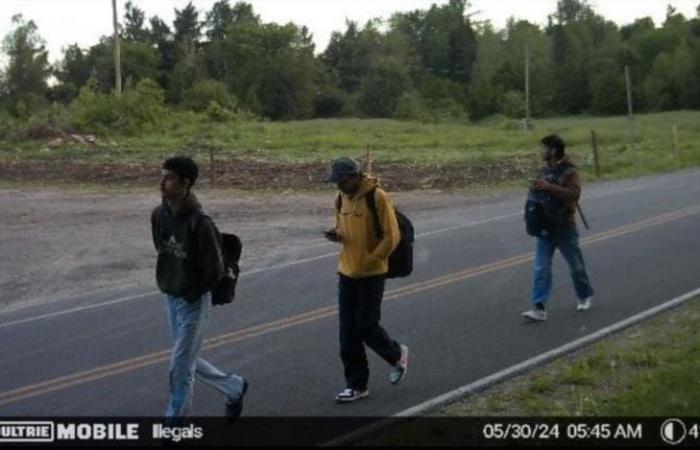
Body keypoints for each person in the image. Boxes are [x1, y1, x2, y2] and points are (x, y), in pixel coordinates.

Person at [151, 156, 248, 420]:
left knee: (179, 367)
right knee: (186, 359)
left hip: (193, 301)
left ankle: (174, 428)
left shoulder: (200, 223)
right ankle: (234, 386)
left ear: (186, 183)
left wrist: (193, 292)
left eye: (169, 177)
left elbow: (214, 270)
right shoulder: (159, 215)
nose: (162, 182)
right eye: (162, 175)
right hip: (171, 297)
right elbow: (162, 251)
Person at [324, 157, 409, 403]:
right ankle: (357, 385)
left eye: (342, 180)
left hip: (372, 274)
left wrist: (374, 258)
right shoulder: (340, 199)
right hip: (347, 272)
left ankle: (396, 355)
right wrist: (336, 235)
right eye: (336, 182)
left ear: (355, 176)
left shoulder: (377, 197)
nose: (339, 185)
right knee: (347, 334)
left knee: (366, 325)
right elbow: (344, 228)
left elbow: (392, 236)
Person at [522, 135, 595, 322]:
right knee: (541, 268)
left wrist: (549, 187)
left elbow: (574, 195)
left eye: (543, 148)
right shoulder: (542, 171)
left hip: (564, 227)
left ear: (553, 151)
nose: (540, 152)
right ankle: (539, 308)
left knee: (576, 267)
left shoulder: (570, 172)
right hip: (544, 228)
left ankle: (584, 295)